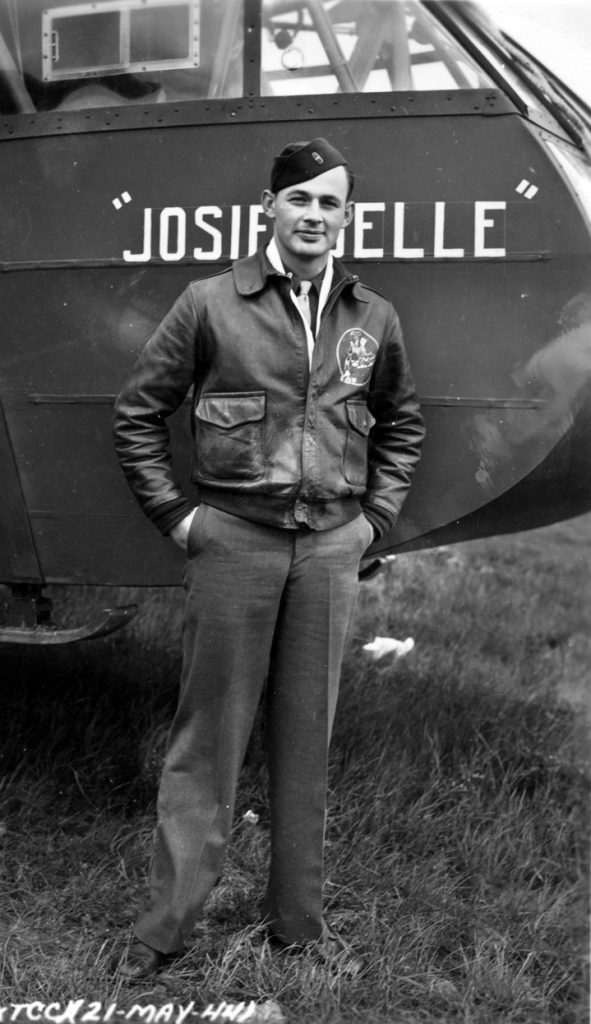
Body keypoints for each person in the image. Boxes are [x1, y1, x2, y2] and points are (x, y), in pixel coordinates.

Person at [112, 137, 425, 979]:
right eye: (300, 200)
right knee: (206, 738)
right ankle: (163, 930)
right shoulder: (210, 303)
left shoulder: (373, 318)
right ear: (269, 209)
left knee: (306, 736)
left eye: (330, 203)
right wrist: (180, 521)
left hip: (329, 548)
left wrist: (373, 523)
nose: (314, 216)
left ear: (346, 218)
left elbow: (400, 424)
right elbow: (138, 414)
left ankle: (296, 923)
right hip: (234, 542)